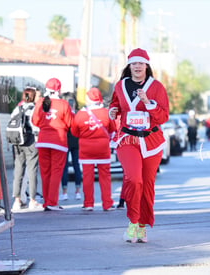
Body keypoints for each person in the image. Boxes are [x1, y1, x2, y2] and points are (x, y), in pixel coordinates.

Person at [109, 48, 169, 243]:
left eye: (140, 63)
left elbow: (163, 116)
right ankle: (132, 222)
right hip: (127, 139)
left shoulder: (157, 87)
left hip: (151, 141)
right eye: (133, 63)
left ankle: (142, 226)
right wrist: (112, 112)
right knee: (134, 179)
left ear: (147, 66)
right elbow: (115, 105)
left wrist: (148, 102)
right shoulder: (120, 85)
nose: (137, 67)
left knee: (147, 185)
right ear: (129, 66)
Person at [31, 78, 73, 211]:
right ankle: (52, 202)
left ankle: (46, 202)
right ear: (59, 90)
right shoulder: (64, 104)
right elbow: (70, 123)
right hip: (58, 141)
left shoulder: (40, 103)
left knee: (44, 172)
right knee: (56, 171)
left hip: (43, 140)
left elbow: (35, 121)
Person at [71, 88, 116, 211]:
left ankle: (88, 203)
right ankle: (107, 203)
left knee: (87, 177)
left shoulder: (81, 114)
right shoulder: (106, 113)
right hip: (103, 148)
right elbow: (112, 128)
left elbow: (74, 132)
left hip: (86, 149)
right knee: (105, 176)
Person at [11, 87, 42, 211]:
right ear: (33, 97)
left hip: (18, 142)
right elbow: (37, 126)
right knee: (32, 171)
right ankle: (33, 200)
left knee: (18, 171)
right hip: (30, 141)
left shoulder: (17, 108)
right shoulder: (34, 109)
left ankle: (17, 201)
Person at [60, 92, 82, 201]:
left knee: (64, 167)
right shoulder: (78, 114)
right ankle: (77, 192)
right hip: (76, 142)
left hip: (65, 141)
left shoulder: (64, 114)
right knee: (76, 166)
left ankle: (64, 193)